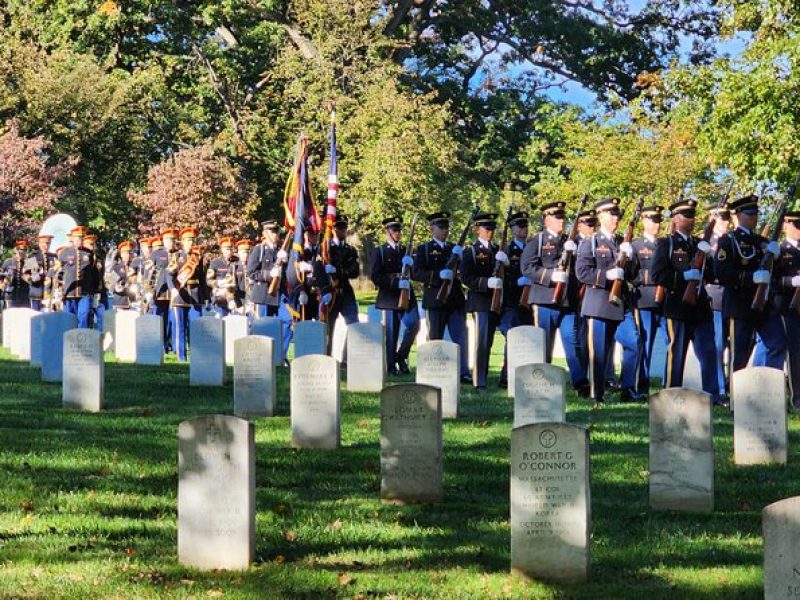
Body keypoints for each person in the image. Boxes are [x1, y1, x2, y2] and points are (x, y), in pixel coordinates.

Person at [651, 199, 722, 405]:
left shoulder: (699, 244)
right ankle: (672, 393)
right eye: (686, 216)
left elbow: (711, 274)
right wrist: (683, 277)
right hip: (677, 307)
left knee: (709, 351)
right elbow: (658, 275)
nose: (690, 220)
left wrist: (707, 262)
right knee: (677, 353)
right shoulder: (667, 244)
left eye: (692, 216)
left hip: (700, 308)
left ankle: (713, 396)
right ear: (676, 219)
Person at [520, 201, 588, 395]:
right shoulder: (538, 241)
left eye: (562, 217)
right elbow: (527, 267)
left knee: (572, 341)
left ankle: (580, 381)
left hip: (567, 302)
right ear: (546, 219)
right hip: (544, 300)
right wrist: (550, 276)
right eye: (556, 217)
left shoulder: (570, 240)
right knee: (544, 344)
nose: (561, 221)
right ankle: (542, 381)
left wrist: (575, 252)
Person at [575, 197, 639, 404]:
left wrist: (630, 260)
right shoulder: (590, 243)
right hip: (599, 304)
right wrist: (606, 275)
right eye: (611, 214)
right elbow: (582, 272)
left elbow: (631, 275)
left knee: (633, 343)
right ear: (600, 216)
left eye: (617, 215)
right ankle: (597, 393)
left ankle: (628, 388)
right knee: (599, 353)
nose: (615, 218)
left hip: (620, 304)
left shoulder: (622, 242)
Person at [714, 194, 786, 373]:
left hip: (763, 305)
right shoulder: (728, 241)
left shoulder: (762, 242)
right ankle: (734, 394)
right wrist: (750, 277)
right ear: (738, 215)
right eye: (749, 214)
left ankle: (769, 385)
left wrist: (777, 258)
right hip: (739, 305)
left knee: (778, 343)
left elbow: (777, 271)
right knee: (739, 354)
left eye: (755, 214)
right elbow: (723, 274)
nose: (754, 218)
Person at [412, 211, 470, 382]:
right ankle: (433, 371)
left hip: (455, 300)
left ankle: (463, 372)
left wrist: (462, 260)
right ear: (432, 228)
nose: (445, 231)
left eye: (447, 227)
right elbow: (416, 273)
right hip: (435, 300)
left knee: (460, 337)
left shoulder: (455, 248)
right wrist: (438, 275)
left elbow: (465, 273)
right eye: (441, 227)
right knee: (435, 338)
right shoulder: (424, 249)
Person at [614, 205, 663, 401]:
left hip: (664, 300)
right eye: (653, 220)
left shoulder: (664, 244)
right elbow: (628, 275)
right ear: (644, 221)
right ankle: (640, 385)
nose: (657, 224)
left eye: (659, 220)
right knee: (645, 344)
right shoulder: (635, 246)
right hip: (644, 299)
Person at [370, 216, 421, 375]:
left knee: (414, 325)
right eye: (394, 230)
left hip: (407, 293)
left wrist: (413, 263)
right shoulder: (380, 251)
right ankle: (391, 367)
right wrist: (394, 282)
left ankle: (401, 356)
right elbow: (376, 276)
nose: (398, 233)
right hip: (390, 295)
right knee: (392, 333)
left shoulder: (406, 250)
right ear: (387, 232)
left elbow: (415, 273)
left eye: (399, 230)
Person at [461, 212, 504, 388]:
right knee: (483, 342)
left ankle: (494, 376)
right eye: (487, 228)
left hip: (498, 302)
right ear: (477, 230)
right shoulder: (471, 251)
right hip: (480, 302)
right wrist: (487, 282)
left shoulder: (498, 250)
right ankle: (480, 379)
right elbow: (466, 278)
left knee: (491, 341)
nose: (490, 232)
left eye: (492, 228)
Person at [498, 211, 533, 388]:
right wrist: (515, 281)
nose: (524, 229)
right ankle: (506, 376)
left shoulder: (532, 247)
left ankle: (527, 374)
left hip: (530, 302)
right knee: (512, 339)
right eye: (520, 226)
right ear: (512, 229)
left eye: (525, 225)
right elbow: (500, 279)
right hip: (512, 300)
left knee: (529, 340)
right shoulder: (506, 250)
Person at [705, 207, 732, 401]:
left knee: (733, 346)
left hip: (730, 299)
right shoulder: (707, 243)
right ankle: (720, 388)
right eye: (721, 218)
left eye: (727, 218)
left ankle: (731, 385)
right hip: (714, 298)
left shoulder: (730, 241)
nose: (726, 222)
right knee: (718, 345)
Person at [774, 211, 800, 410]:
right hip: (788, 307)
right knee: (795, 352)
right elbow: (772, 281)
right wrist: (791, 281)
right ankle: (797, 397)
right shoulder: (780, 251)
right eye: (796, 225)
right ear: (785, 226)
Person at [168, 227, 207, 361]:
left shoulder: (198, 257)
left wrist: (206, 296)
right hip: (181, 293)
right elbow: (169, 275)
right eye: (188, 240)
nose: (191, 243)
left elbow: (202, 277)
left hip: (195, 294)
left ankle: (198, 356)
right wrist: (173, 288)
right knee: (180, 327)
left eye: (193, 240)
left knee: (197, 327)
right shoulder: (176, 256)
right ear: (182, 241)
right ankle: (181, 357)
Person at [324, 215, 361, 355]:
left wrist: (338, 271)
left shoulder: (350, 250)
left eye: (344, 228)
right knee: (329, 327)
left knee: (354, 325)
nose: (343, 231)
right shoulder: (326, 248)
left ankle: (346, 358)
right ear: (333, 229)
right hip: (331, 292)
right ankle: (327, 356)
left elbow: (354, 271)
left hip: (345, 291)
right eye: (339, 228)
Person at [286, 227, 332, 322]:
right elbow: (291, 275)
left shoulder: (321, 252)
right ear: (305, 235)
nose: (315, 237)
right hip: (304, 295)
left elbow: (323, 274)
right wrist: (300, 290)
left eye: (316, 234)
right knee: (303, 328)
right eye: (311, 234)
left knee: (319, 329)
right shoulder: (298, 253)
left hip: (317, 296)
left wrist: (326, 290)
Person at [59, 226, 97, 328]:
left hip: (85, 292)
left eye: (81, 238)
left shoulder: (89, 253)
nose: (79, 241)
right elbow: (59, 272)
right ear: (73, 238)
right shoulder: (64, 253)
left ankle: (81, 339)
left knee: (83, 316)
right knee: (69, 319)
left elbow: (93, 273)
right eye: (77, 238)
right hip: (70, 292)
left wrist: (94, 291)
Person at [246, 220, 285, 318]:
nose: (275, 234)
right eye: (272, 231)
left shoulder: (281, 251)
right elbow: (251, 272)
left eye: (276, 231)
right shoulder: (259, 250)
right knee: (264, 327)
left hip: (279, 295)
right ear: (265, 233)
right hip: (263, 296)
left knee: (285, 322)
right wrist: (269, 274)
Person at [207, 237, 239, 317]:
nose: (229, 251)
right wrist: (219, 283)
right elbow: (208, 280)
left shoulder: (238, 261)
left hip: (237, 297)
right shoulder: (215, 263)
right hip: (220, 298)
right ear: (222, 249)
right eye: (227, 249)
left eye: (231, 249)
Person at [27, 234, 56, 311]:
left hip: (50, 293)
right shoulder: (33, 256)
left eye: (48, 243)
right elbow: (27, 275)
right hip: (37, 291)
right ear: (40, 244)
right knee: (36, 316)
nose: (46, 245)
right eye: (44, 243)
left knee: (49, 316)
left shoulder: (53, 256)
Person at [107, 241, 137, 310]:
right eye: (126, 253)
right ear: (121, 254)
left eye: (130, 252)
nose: (128, 255)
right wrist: (118, 287)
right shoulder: (116, 267)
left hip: (134, 302)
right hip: (120, 302)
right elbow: (110, 284)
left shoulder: (136, 266)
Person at [4, 240, 32, 308]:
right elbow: (2, 278)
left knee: (25, 317)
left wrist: (28, 277)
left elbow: (36, 279)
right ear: (16, 250)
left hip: (25, 296)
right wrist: (6, 280)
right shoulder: (8, 262)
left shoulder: (30, 262)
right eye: (21, 250)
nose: (23, 252)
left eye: (25, 250)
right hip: (11, 296)